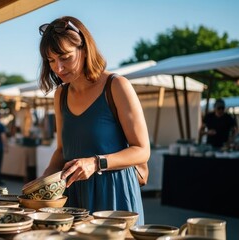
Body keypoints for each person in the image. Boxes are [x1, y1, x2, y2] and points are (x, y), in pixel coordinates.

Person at [29, 16, 150, 224]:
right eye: (51, 61)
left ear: (84, 49)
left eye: (65, 57)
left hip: (114, 195)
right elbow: (61, 151)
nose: (58, 68)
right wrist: (42, 183)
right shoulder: (61, 95)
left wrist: (96, 163)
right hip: (75, 198)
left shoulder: (116, 86)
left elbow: (142, 150)